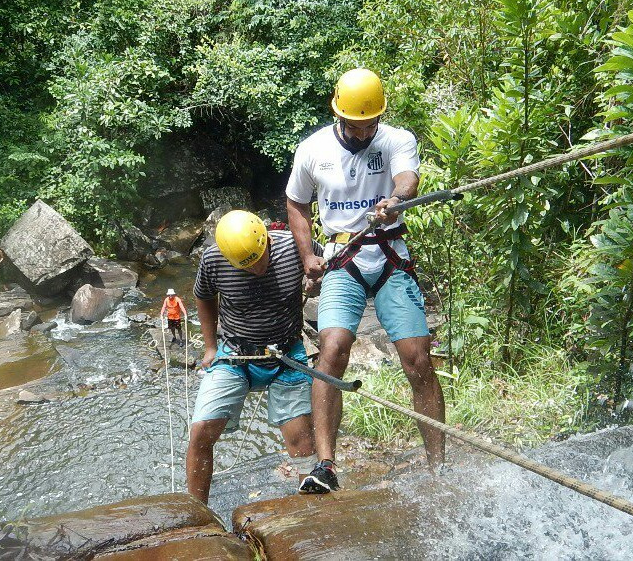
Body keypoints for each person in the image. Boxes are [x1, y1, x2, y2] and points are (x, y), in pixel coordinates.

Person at [286, 67, 445, 494]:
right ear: (339, 115)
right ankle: (325, 465)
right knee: (333, 352)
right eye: (357, 125)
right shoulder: (313, 149)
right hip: (343, 257)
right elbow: (297, 203)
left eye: (371, 122)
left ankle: (438, 466)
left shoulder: (396, 139)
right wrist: (307, 256)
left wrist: (395, 200)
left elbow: (407, 177)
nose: (365, 131)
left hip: (390, 255)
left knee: (418, 359)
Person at [186, 210, 318, 503]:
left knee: (301, 438)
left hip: (287, 355)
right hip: (235, 355)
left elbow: (323, 267)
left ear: (267, 239)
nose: (257, 268)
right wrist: (210, 346)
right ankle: (196, 512)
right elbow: (203, 296)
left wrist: (316, 279)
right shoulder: (213, 259)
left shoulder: (294, 245)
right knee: (201, 431)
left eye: (259, 258)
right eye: (247, 266)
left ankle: (311, 506)